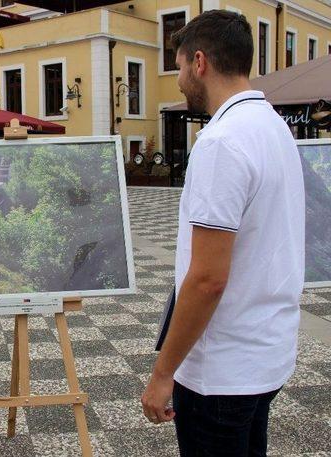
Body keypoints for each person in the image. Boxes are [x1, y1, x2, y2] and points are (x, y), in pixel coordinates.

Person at [141, 10, 305, 457]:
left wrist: (162, 373)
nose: (178, 81)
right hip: (266, 354)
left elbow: (207, 278)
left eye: (177, 67)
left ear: (200, 62)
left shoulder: (221, 142)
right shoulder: (275, 128)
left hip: (221, 372)